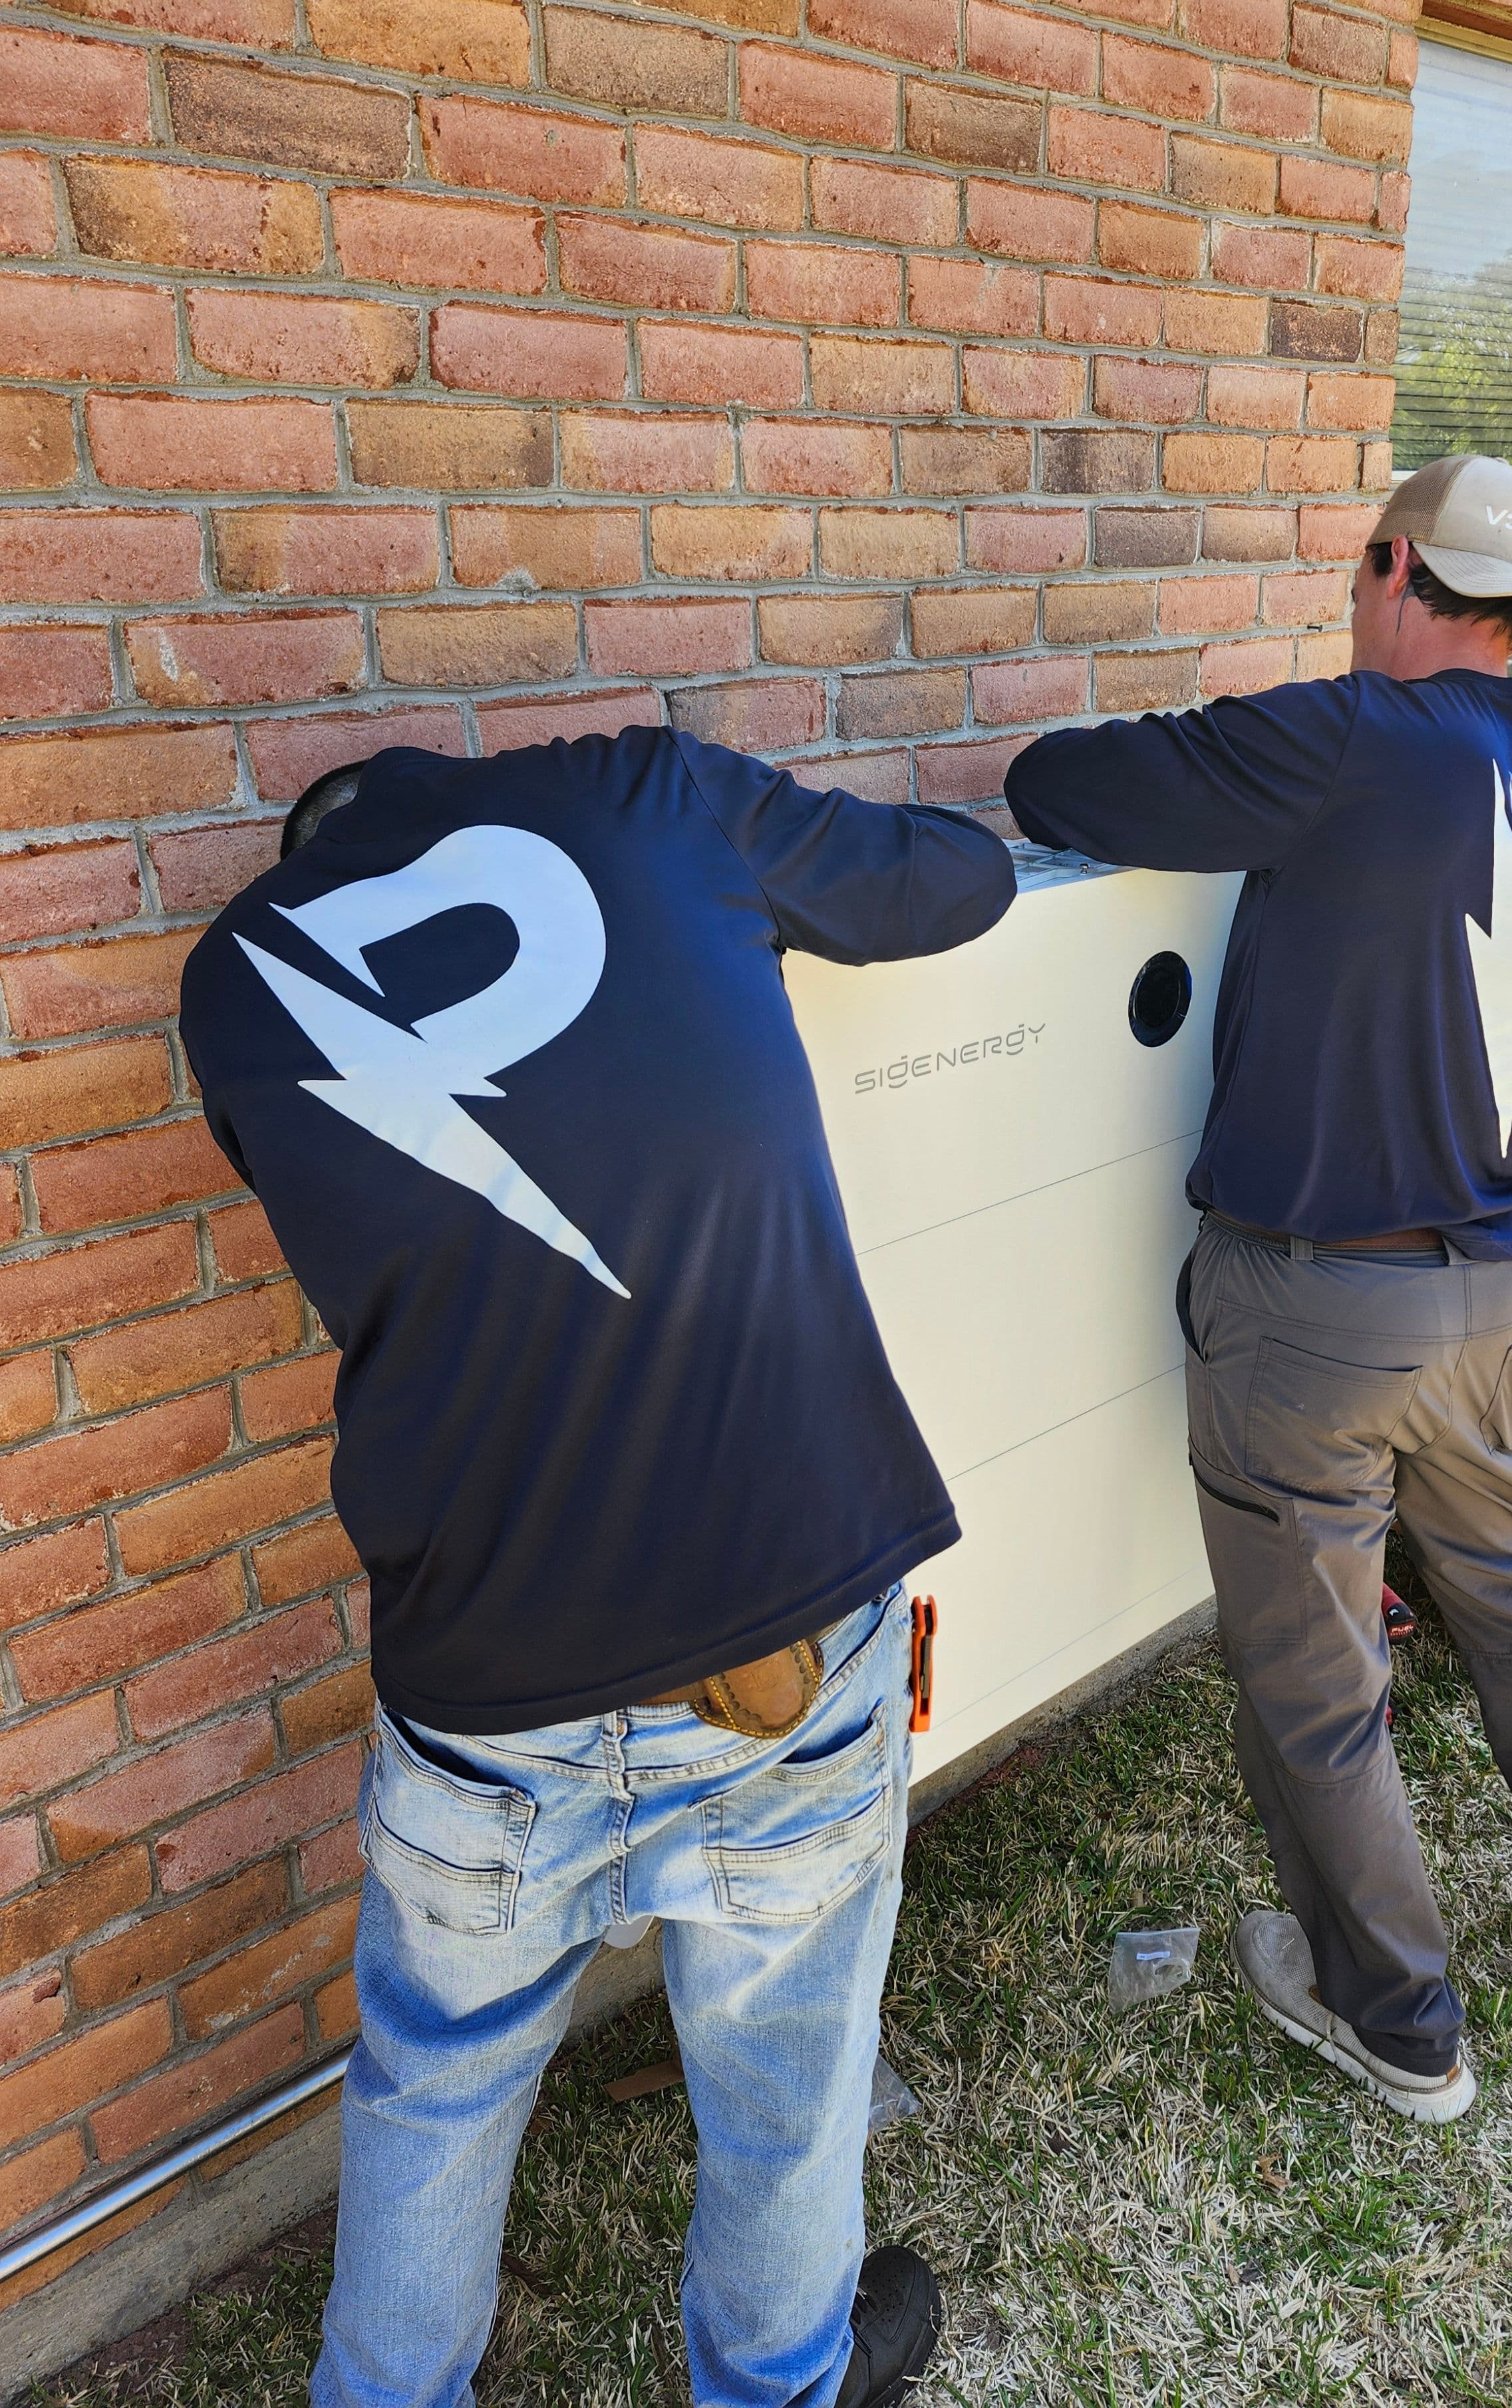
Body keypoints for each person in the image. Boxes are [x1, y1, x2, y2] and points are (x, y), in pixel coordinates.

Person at [178, 723, 1018, 2407]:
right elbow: (962, 884)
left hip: (484, 1675)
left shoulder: (234, 977)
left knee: (438, 2075)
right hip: (779, 1625)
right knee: (786, 2070)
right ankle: (778, 2377)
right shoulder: (653, 794)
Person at [1002, 453, 1512, 2129]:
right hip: (1483, 1286)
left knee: (1315, 1687)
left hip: (1314, 1305)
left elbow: (1062, 783)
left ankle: (1400, 2019)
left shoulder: (1358, 742)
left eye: (1366, 565)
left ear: (1395, 568)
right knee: (1507, 1575)